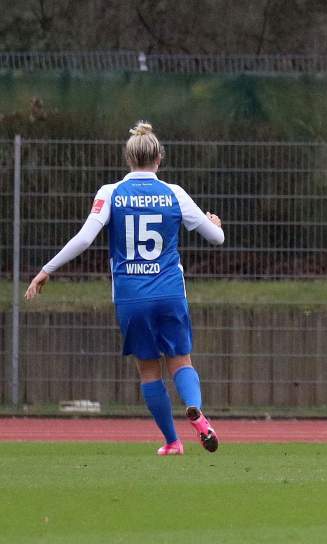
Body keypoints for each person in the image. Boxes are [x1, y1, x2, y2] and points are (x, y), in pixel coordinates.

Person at [24, 121, 226, 456]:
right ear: (159, 158)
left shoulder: (110, 192)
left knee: (149, 370)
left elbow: (85, 238)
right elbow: (216, 238)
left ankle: (172, 441)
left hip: (132, 296)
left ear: (128, 158)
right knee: (180, 361)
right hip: (170, 292)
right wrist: (215, 223)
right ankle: (196, 412)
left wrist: (47, 269)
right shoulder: (174, 193)